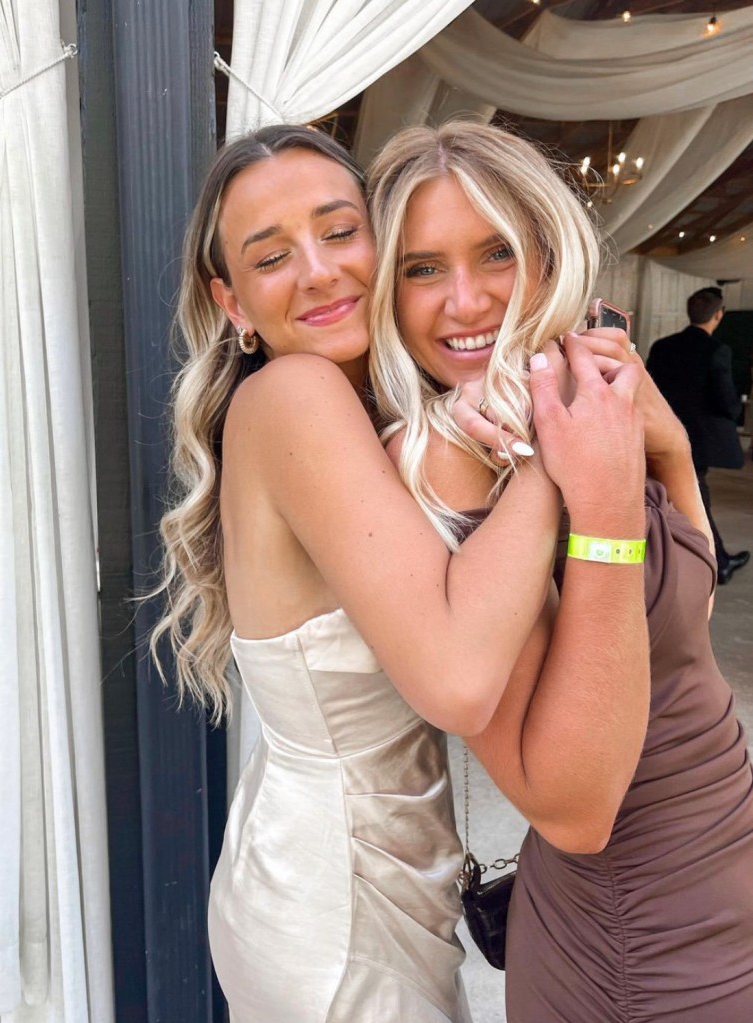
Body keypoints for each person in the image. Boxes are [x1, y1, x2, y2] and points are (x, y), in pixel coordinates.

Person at [152, 124, 648, 1023]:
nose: (319, 271)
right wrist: (558, 441)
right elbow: (457, 680)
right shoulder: (295, 395)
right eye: (272, 256)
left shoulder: (370, 410)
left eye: (340, 232)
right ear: (231, 302)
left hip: (353, 870)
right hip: (336, 910)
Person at [367, 119, 753, 1023]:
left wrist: (668, 451)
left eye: (496, 252)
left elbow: (690, 616)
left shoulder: (590, 389)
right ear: (387, 290)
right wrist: (595, 496)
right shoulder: (445, 458)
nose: (465, 301)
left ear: (547, 255)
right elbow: (574, 808)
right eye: (422, 268)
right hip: (639, 930)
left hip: (728, 849)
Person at [647, 287, 749, 584]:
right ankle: (718, 562)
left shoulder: (662, 346)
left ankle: (710, 558)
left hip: (663, 432)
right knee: (694, 498)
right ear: (718, 315)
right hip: (699, 440)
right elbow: (725, 401)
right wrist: (736, 407)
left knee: (672, 495)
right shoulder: (717, 350)